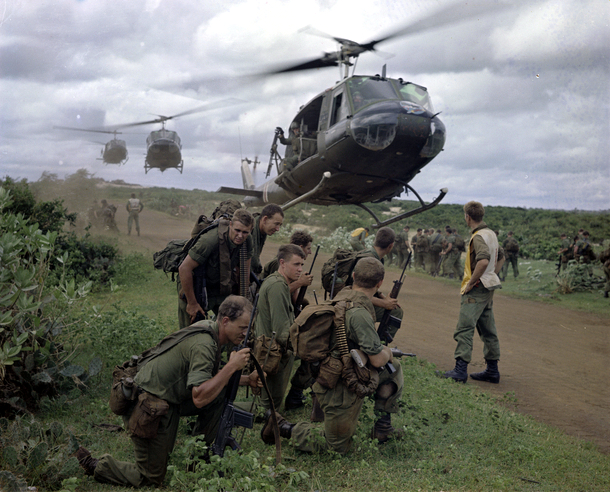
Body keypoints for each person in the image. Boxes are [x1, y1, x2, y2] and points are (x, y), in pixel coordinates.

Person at [75, 296, 261, 488]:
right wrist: (232, 366)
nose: (246, 333)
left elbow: (209, 380)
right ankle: (97, 465)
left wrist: (246, 380)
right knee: (150, 478)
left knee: (218, 396)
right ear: (225, 321)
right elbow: (199, 397)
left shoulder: (209, 328)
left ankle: (199, 458)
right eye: (242, 328)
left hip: (169, 397)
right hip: (148, 406)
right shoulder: (204, 345)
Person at [260, 257, 404, 454]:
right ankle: (283, 427)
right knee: (336, 447)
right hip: (339, 385)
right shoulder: (359, 313)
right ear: (380, 283)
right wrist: (386, 350)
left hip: (335, 370)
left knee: (392, 369)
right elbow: (378, 359)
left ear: (353, 277)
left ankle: (383, 428)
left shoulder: (343, 296)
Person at [444, 201, 505, 384]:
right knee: (488, 329)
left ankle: (460, 370)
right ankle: (492, 370)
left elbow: (484, 261)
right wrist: (491, 275)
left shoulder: (478, 236)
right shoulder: (491, 234)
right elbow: (500, 257)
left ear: (467, 217)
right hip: (488, 289)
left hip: (477, 289)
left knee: (464, 328)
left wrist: (472, 281)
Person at [177, 209, 254, 328]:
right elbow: (184, 269)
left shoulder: (247, 241)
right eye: (237, 230)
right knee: (191, 330)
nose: (240, 236)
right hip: (195, 286)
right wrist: (192, 303)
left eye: (245, 232)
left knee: (234, 324)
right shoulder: (210, 240)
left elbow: (244, 271)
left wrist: (242, 301)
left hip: (221, 286)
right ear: (230, 225)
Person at [254, 244, 305, 412]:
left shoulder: (278, 282)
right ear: (282, 263)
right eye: (296, 264)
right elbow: (282, 333)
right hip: (273, 355)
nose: (300, 269)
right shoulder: (277, 286)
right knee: (267, 409)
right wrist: (305, 347)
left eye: (302, 265)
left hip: (273, 352)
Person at [250, 204, 284, 276]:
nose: (278, 229)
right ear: (265, 219)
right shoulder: (249, 230)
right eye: (276, 224)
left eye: (280, 225)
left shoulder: (263, 230)